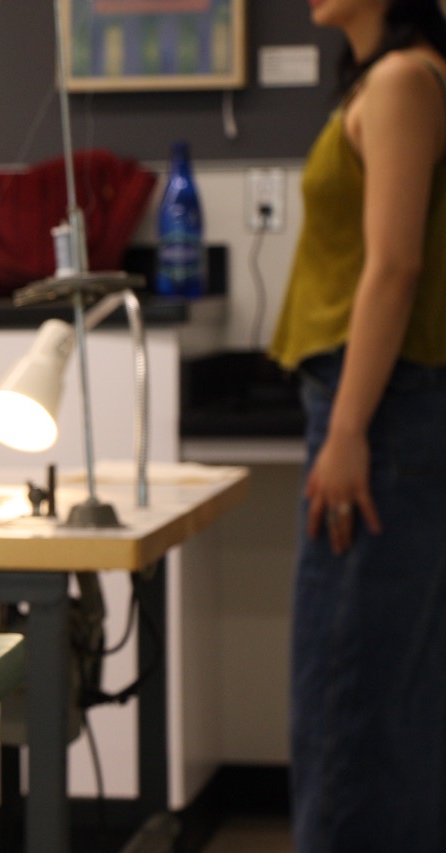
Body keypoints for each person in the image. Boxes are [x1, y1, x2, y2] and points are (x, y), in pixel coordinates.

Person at [268, 1, 446, 849]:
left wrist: (346, 433)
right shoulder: (393, 79)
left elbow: (395, 265)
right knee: (394, 699)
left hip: (381, 409)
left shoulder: (406, 79)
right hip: (389, 405)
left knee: (351, 698)